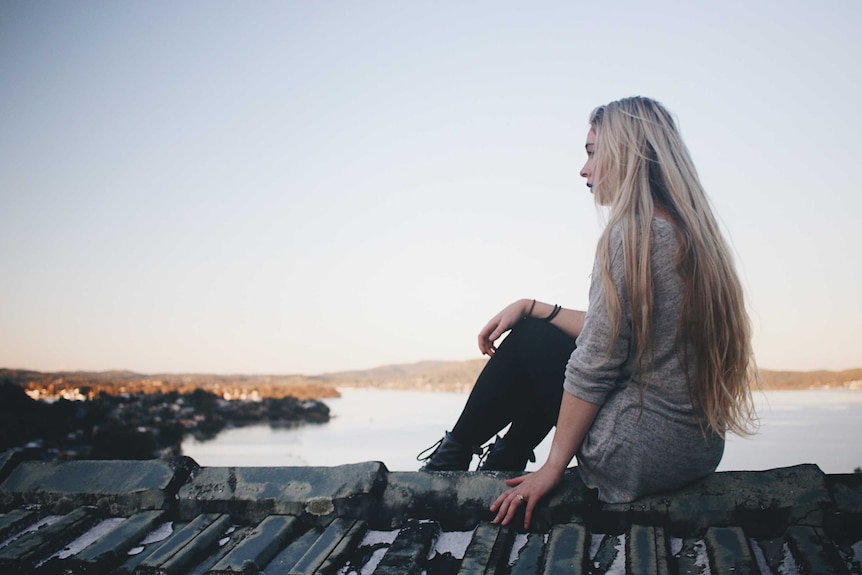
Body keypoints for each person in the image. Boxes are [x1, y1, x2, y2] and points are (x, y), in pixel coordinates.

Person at [416, 96, 758, 529]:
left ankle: (455, 460)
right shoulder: (691, 233)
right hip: (695, 450)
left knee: (532, 341)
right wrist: (535, 306)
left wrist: (552, 470)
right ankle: (502, 458)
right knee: (539, 328)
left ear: (625, 154)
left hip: (636, 451)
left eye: (592, 152)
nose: (584, 168)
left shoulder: (631, 237)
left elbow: (593, 365)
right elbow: (614, 331)